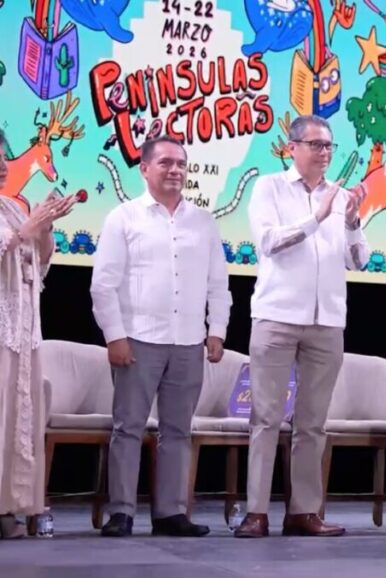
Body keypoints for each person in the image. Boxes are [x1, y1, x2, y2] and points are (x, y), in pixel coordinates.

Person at [233, 115, 369, 538]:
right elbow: (269, 242)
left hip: (326, 320)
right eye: (315, 144)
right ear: (291, 148)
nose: (324, 153)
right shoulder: (269, 188)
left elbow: (359, 260)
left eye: (329, 146)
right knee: (266, 417)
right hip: (276, 316)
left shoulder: (340, 196)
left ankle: (303, 511)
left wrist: (349, 221)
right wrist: (316, 218)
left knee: (312, 423)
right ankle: (256, 512)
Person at [91, 135, 232, 537]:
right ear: (145, 169)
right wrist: (114, 336)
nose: (175, 171)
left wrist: (216, 330)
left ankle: (170, 513)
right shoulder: (124, 217)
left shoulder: (202, 221)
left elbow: (218, 285)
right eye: (166, 163)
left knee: (177, 431)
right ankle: (121, 512)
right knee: (128, 428)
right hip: (138, 340)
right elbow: (104, 284)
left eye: (181, 164)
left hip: (188, 342)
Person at [0, 128, 77, 539]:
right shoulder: (15, 218)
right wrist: (28, 229)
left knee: (15, 419)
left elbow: (38, 261)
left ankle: (7, 509)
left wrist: (45, 228)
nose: (1, 166)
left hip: (22, 329)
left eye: (2, 157)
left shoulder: (11, 209)